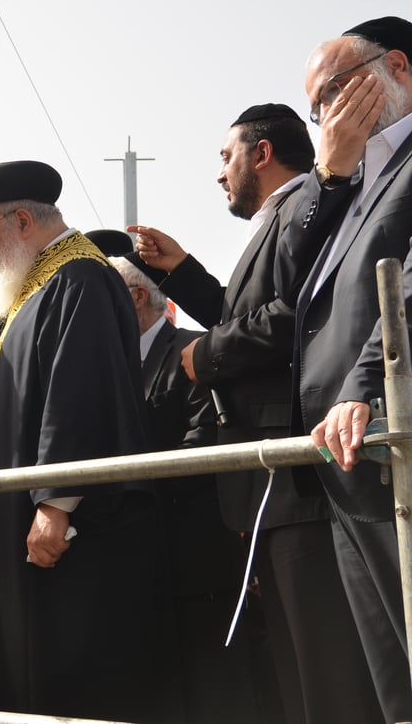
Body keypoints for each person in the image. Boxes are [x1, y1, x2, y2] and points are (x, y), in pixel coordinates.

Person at [130, 103, 382, 724]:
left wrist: (202, 356)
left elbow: (293, 317)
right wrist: (183, 272)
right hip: (269, 486)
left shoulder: (307, 205)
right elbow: (249, 310)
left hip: (294, 480)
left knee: (325, 667)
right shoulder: (282, 215)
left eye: (225, 156)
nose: (220, 174)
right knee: (296, 666)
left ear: (262, 153)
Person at [0, 160, 171, 721]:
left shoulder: (80, 277)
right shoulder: (41, 285)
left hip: (63, 523)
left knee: (64, 677)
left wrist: (55, 503)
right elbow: (9, 374)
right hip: (24, 515)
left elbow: (81, 394)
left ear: (23, 221)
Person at [278, 17, 412, 723]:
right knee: (392, 675)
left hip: (387, 433)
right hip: (341, 458)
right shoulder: (351, 174)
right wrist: (328, 173)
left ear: (397, 67)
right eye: (314, 104)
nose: (324, 112)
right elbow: (291, 277)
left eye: (333, 89)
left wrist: (363, 387)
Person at [111, 253, 272, 723]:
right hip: (142, 560)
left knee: (216, 689)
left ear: (138, 297)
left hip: (197, 559)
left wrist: (124, 485)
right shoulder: (112, 364)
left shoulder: (190, 352)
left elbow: (203, 447)